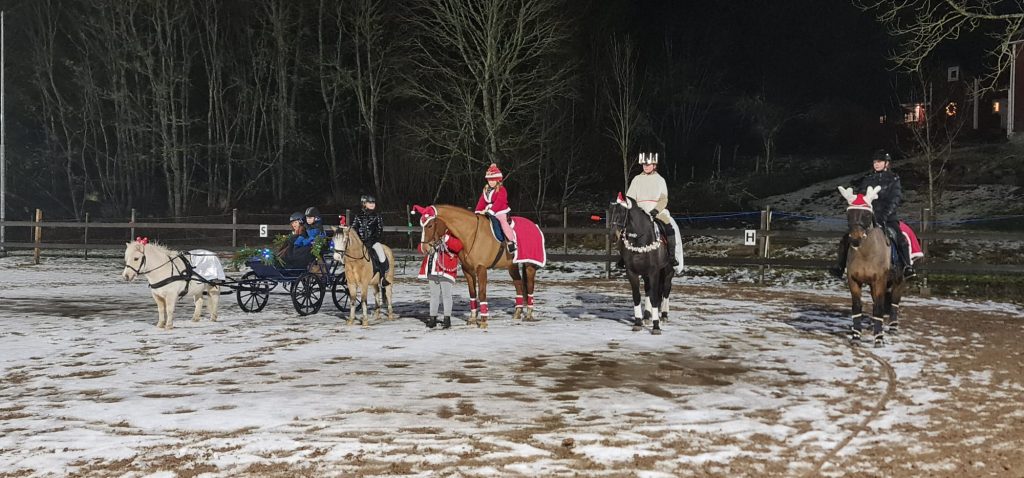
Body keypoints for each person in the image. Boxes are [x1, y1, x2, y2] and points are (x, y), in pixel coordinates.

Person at [830, 149, 916, 279]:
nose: (876, 164)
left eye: (879, 161)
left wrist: (885, 215)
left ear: (886, 163)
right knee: (847, 238)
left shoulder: (894, 179)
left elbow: (895, 198)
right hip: (868, 216)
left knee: (899, 238)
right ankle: (840, 266)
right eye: (875, 161)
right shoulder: (868, 179)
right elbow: (861, 196)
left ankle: (906, 266)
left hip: (888, 217)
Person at [625, 152, 685, 274]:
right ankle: (624, 257)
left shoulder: (660, 180)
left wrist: (655, 211)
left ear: (654, 165)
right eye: (644, 164)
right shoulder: (636, 179)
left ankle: (672, 256)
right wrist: (635, 210)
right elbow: (630, 198)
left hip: (657, 212)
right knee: (625, 229)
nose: (646, 166)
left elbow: (664, 199)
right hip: (640, 213)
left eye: (648, 164)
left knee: (670, 228)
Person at [418, 230, 463, 329]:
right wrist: (426, 246)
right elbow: (421, 248)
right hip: (432, 269)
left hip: (446, 268)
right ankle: (432, 318)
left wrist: (446, 239)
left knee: (446, 295)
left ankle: (447, 318)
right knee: (434, 295)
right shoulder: (431, 232)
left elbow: (459, 246)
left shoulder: (452, 231)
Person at [474, 163, 517, 253]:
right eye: (489, 180)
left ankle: (511, 241)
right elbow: (481, 201)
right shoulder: (486, 190)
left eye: (493, 180)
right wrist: (477, 211)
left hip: (500, 211)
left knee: (503, 222)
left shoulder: (501, 189)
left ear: (498, 180)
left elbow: (500, 202)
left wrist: (492, 211)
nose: (491, 182)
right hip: (488, 211)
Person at [350, 194, 390, 286]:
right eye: (370, 202)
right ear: (364, 203)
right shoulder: (358, 216)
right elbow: (354, 228)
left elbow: (380, 230)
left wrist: (373, 240)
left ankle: (383, 277)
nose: (372, 204)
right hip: (360, 242)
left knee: (381, 254)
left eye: (373, 202)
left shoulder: (377, 215)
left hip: (373, 242)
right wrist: (358, 240)